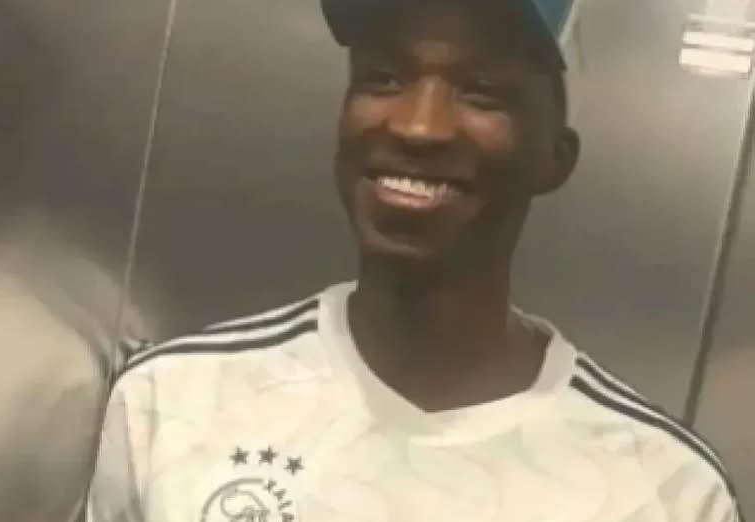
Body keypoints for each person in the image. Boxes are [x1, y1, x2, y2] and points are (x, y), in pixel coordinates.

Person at [87, 0, 745, 520]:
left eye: (482, 90)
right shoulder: (171, 402)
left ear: (556, 157)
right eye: (384, 77)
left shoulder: (665, 491)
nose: (418, 125)